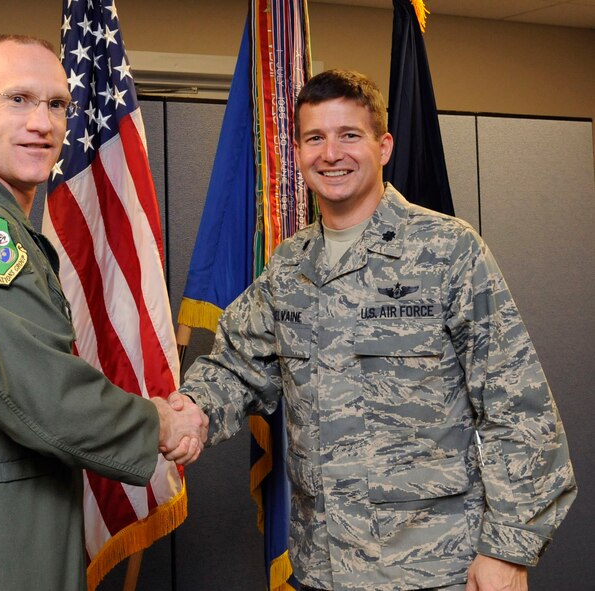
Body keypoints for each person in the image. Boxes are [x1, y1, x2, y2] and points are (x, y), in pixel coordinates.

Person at [172, 70, 576, 591]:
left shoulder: (447, 250)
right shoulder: (290, 266)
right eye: (315, 137)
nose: (331, 153)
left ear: (383, 146)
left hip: (433, 571)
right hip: (322, 570)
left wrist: (507, 551)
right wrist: (186, 412)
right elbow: (236, 367)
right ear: (297, 152)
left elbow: (519, 409)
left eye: (349, 135)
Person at [0, 34, 206, 591]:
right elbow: (41, 394)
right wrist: (161, 422)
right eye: (18, 99)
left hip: (7, 528)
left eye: (55, 104)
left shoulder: (1, 225)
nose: (43, 123)